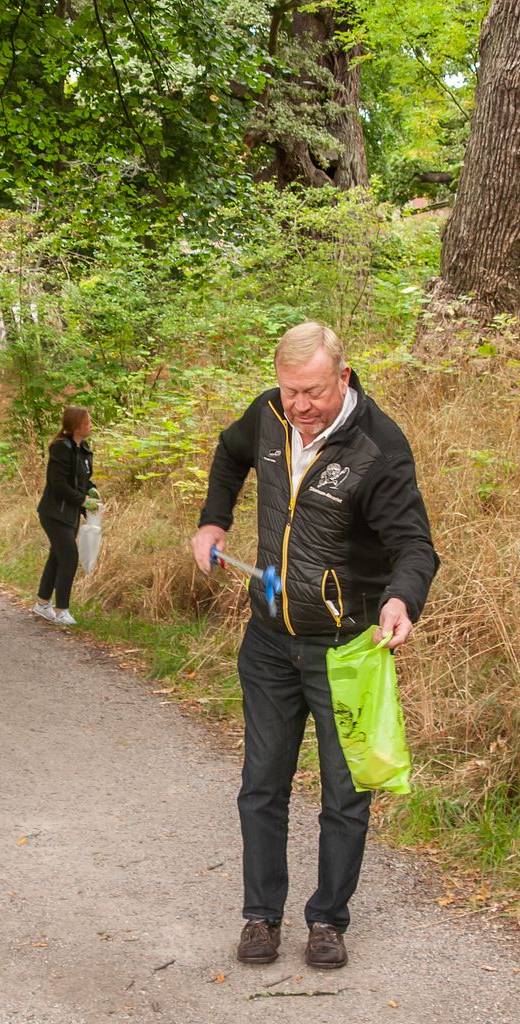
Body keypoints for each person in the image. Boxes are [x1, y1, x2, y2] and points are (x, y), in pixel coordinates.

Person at [191, 321, 438, 970]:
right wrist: (213, 521)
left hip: (346, 650)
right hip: (269, 641)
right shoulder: (268, 416)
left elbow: (415, 545)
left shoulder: (378, 449)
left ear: (344, 378)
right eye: (290, 390)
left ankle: (328, 919)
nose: (300, 407)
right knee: (262, 784)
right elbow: (228, 453)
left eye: (314, 393)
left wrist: (399, 599)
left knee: (344, 792)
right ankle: (260, 918)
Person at [34, 406, 97, 627]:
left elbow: (83, 480)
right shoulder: (61, 449)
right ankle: (62, 610)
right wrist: (81, 500)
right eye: (87, 422)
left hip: (71, 514)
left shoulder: (84, 449)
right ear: (75, 426)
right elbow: (58, 484)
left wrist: (91, 490)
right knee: (69, 557)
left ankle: (42, 603)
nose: (90, 425)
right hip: (54, 513)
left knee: (57, 555)